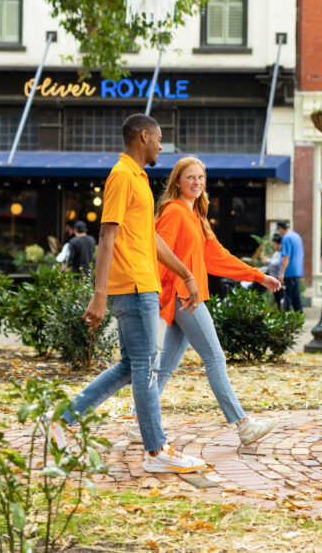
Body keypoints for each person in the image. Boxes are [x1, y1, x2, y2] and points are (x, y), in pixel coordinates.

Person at [48, 114, 206, 474]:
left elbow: (150, 238)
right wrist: (98, 294)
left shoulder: (139, 178)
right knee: (148, 368)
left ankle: (62, 420)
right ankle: (155, 451)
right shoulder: (121, 176)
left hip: (143, 284)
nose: (162, 146)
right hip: (132, 287)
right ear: (144, 137)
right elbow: (107, 236)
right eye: (159, 139)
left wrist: (185, 273)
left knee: (131, 367)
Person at [126, 156, 282, 447]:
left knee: (167, 366)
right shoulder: (173, 212)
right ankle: (243, 425)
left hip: (185, 298)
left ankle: (139, 422)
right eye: (190, 178)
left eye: (201, 178)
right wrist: (160, 296)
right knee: (215, 358)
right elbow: (157, 252)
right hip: (184, 298)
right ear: (177, 181)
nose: (196, 183)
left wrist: (259, 276)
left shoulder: (195, 215)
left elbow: (218, 257)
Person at [277, 220, 304, 313]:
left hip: (289, 271)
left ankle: (287, 319)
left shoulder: (286, 238)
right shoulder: (297, 236)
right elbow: (301, 254)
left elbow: (286, 257)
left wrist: (281, 273)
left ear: (280, 228)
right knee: (296, 295)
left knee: (287, 296)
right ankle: (299, 317)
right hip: (297, 270)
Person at [264, 233, 286, 309]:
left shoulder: (283, 253)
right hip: (273, 278)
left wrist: (267, 260)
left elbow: (278, 262)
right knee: (277, 298)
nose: (273, 246)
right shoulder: (276, 252)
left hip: (278, 278)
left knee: (280, 298)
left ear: (279, 244)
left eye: (274, 244)